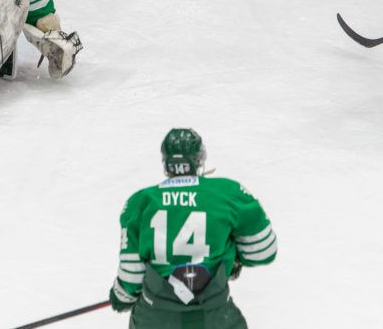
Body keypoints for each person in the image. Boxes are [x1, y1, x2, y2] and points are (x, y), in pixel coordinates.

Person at [108, 129, 277, 327]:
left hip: (156, 318)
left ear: (166, 163)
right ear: (198, 160)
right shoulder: (229, 193)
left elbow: (131, 275)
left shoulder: (139, 202)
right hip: (215, 316)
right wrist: (233, 258)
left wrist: (121, 296)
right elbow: (263, 251)